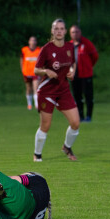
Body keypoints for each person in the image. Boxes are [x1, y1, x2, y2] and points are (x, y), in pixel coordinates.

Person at [33, 18, 80, 162]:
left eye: (61, 29)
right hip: (47, 91)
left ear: (65, 31)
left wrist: (72, 71)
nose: (59, 31)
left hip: (63, 90)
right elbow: (36, 70)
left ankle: (67, 147)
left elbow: (73, 64)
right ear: (52, 31)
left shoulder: (69, 47)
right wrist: (46, 71)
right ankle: (37, 155)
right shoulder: (46, 49)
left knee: (75, 123)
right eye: (56, 29)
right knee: (46, 126)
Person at [69, 25, 99, 122]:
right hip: (74, 75)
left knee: (88, 96)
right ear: (70, 34)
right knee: (77, 96)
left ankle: (89, 116)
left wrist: (89, 66)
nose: (75, 34)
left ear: (80, 33)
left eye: (77, 32)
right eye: (73, 32)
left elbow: (95, 56)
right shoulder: (68, 45)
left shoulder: (86, 43)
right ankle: (80, 116)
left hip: (86, 74)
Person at [20, 36, 41, 110]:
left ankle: (37, 104)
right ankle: (29, 104)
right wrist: (22, 69)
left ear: (36, 42)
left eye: (34, 40)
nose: (33, 42)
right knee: (29, 88)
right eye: (31, 40)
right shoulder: (24, 50)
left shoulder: (39, 50)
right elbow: (21, 60)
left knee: (36, 87)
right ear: (29, 42)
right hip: (27, 72)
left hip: (35, 72)